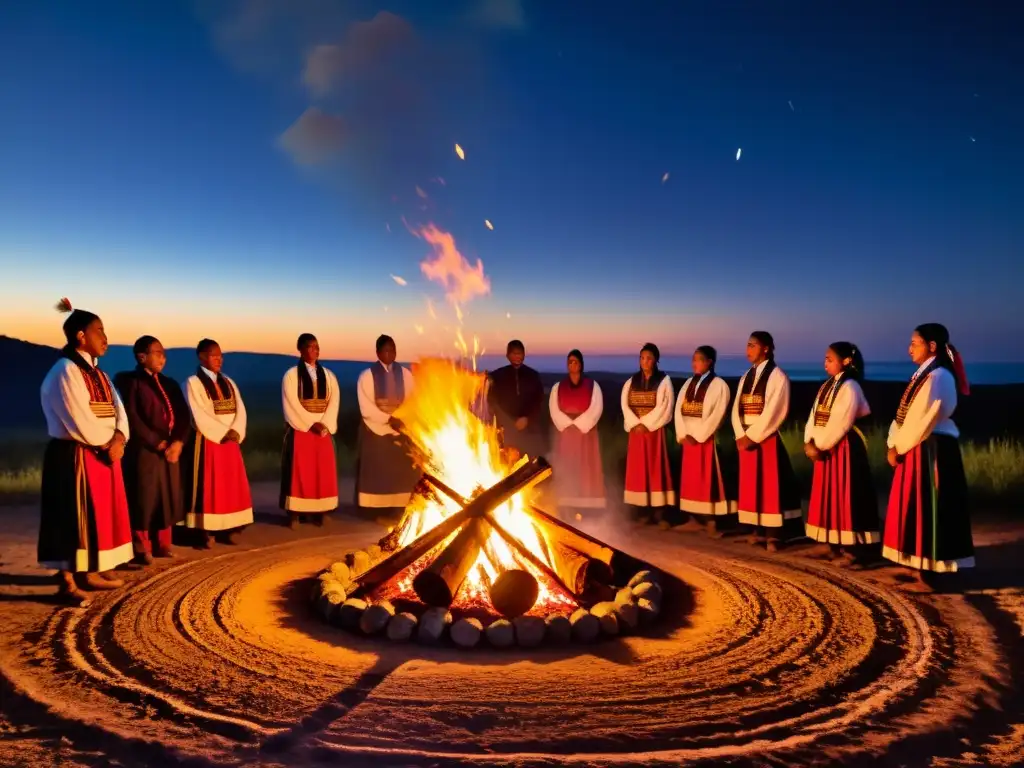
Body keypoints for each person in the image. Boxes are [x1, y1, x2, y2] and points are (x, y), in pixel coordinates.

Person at [38, 298, 133, 605]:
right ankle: (66, 581)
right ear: (81, 335)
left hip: (103, 452)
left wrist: (120, 437)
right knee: (70, 516)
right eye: (99, 331)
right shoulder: (66, 371)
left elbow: (119, 411)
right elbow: (78, 417)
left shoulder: (100, 374)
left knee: (97, 516)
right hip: (75, 454)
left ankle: (89, 571)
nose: (105, 338)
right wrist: (110, 443)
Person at [883, 323, 974, 580]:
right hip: (917, 446)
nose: (909, 348)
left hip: (931, 448)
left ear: (932, 346)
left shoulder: (938, 377)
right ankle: (915, 561)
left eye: (915, 343)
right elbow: (904, 415)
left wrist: (897, 447)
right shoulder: (923, 376)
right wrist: (893, 443)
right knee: (915, 505)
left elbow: (922, 418)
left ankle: (929, 572)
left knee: (930, 506)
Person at [113, 336, 190, 564]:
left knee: (167, 496)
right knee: (143, 498)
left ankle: (163, 543)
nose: (163, 357)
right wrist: (156, 442)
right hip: (144, 450)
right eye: (157, 352)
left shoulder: (170, 384)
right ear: (141, 357)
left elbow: (184, 416)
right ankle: (140, 546)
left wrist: (178, 442)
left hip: (170, 450)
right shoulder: (129, 382)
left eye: (164, 353)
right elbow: (131, 416)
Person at [803, 342, 879, 564]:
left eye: (830, 359)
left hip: (845, 448)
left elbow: (841, 422)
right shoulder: (827, 386)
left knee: (847, 495)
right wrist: (809, 442)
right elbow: (814, 416)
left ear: (846, 361)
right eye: (825, 359)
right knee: (828, 496)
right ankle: (830, 543)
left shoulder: (850, 387)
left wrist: (820, 445)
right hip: (826, 447)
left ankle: (853, 551)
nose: (825, 363)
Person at [732, 331, 801, 551]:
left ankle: (774, 534)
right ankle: (757, 529)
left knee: (771, 486)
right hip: (746, 437)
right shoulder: (745, 377)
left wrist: (752, 436)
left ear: (766, 348)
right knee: (752, 485)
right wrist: (739, 434)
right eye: (747, 345)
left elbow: (775, 411)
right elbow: (736, 408)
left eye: (752, 345)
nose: (748, 350)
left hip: (765, 437)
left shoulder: (777, 376)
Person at [182, 339, 253, 547]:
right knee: (209, 486)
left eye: (220, 356)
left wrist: (236, 431)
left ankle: (230, 528)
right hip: (208, 440)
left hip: (230, 441)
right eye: (214, 355)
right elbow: (197, 413)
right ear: (202, 356)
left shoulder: (229, 382)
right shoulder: (192, 383)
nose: (219, 359)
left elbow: (240, 408)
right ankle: (206, 531)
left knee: (231, 486)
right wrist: (222, 432)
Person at [280, 333, 341, 528]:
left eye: (317, 346)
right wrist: (310, 423)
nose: (315, 350)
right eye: (310, 347)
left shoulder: (329, 375)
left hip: (322, 429)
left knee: (322, 471)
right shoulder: (291, 375)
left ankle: (320, 511)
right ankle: (296, 514)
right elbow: (291, 403)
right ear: (300, 349)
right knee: (299, 471)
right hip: (301, 429)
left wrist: (325, 423)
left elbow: (334, 401)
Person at [674, 345, 734, 537]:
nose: (694, 363)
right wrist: (682, 434)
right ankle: (693, 519)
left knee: (708, 481)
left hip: (705, 440)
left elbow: (718, 415)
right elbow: (678, 410)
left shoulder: (719, 385)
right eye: (693, 359)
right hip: (688, 440)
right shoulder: (687, 384)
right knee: (690, 481)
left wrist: (698, 436)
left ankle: (711, 523)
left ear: (710, 362)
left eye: (699, 359)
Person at [355, 334, 420, 512]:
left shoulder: (406, 375)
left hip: (400, 428)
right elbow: (366, 405)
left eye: (393, 350)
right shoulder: (367, 376)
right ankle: (376, 508)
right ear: (378, 353)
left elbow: (411, 400)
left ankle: (400, 507)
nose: (390, 354)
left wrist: (402, 420)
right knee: (379, 472)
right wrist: (388, 420)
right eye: (386, 350)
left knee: (402, 472)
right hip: (377, 430)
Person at [621, 343, 676, 523]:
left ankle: (660, 513)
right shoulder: (631, 381)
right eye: (642, 358)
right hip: (636, 433)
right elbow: (625, 404)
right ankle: (642, 512)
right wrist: (635, 424)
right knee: (638, 471)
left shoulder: (664, 380)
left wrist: (646, 424)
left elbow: (664, 407)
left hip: (653, 432)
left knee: (655, 469)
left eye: (649, 358)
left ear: (656, 360)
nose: (645, 361)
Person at [548, 349, 606, 509]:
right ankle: (567, 505)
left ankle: (588, 507)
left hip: (585, 434)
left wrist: (580, 424)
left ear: (581, 364)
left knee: (586, 467)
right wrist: (567, 424)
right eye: (569, 362)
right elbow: (554, 408)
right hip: (566, 434)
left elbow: (596, 407)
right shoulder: (557, 387)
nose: (572, 365)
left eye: (575, 362)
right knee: (568, 466)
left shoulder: (593, 386)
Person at [486, 340, 546, 462]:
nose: (517, 357)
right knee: (508, 463)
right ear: (508, 355)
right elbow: (492, 402)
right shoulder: (498, 376)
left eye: (520, 353)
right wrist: (507, 422)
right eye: (514, 353)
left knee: (530, 463)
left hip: (529, 430)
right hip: (507, 430)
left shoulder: (533, 376)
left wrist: (527, 418)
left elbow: (538, 400)